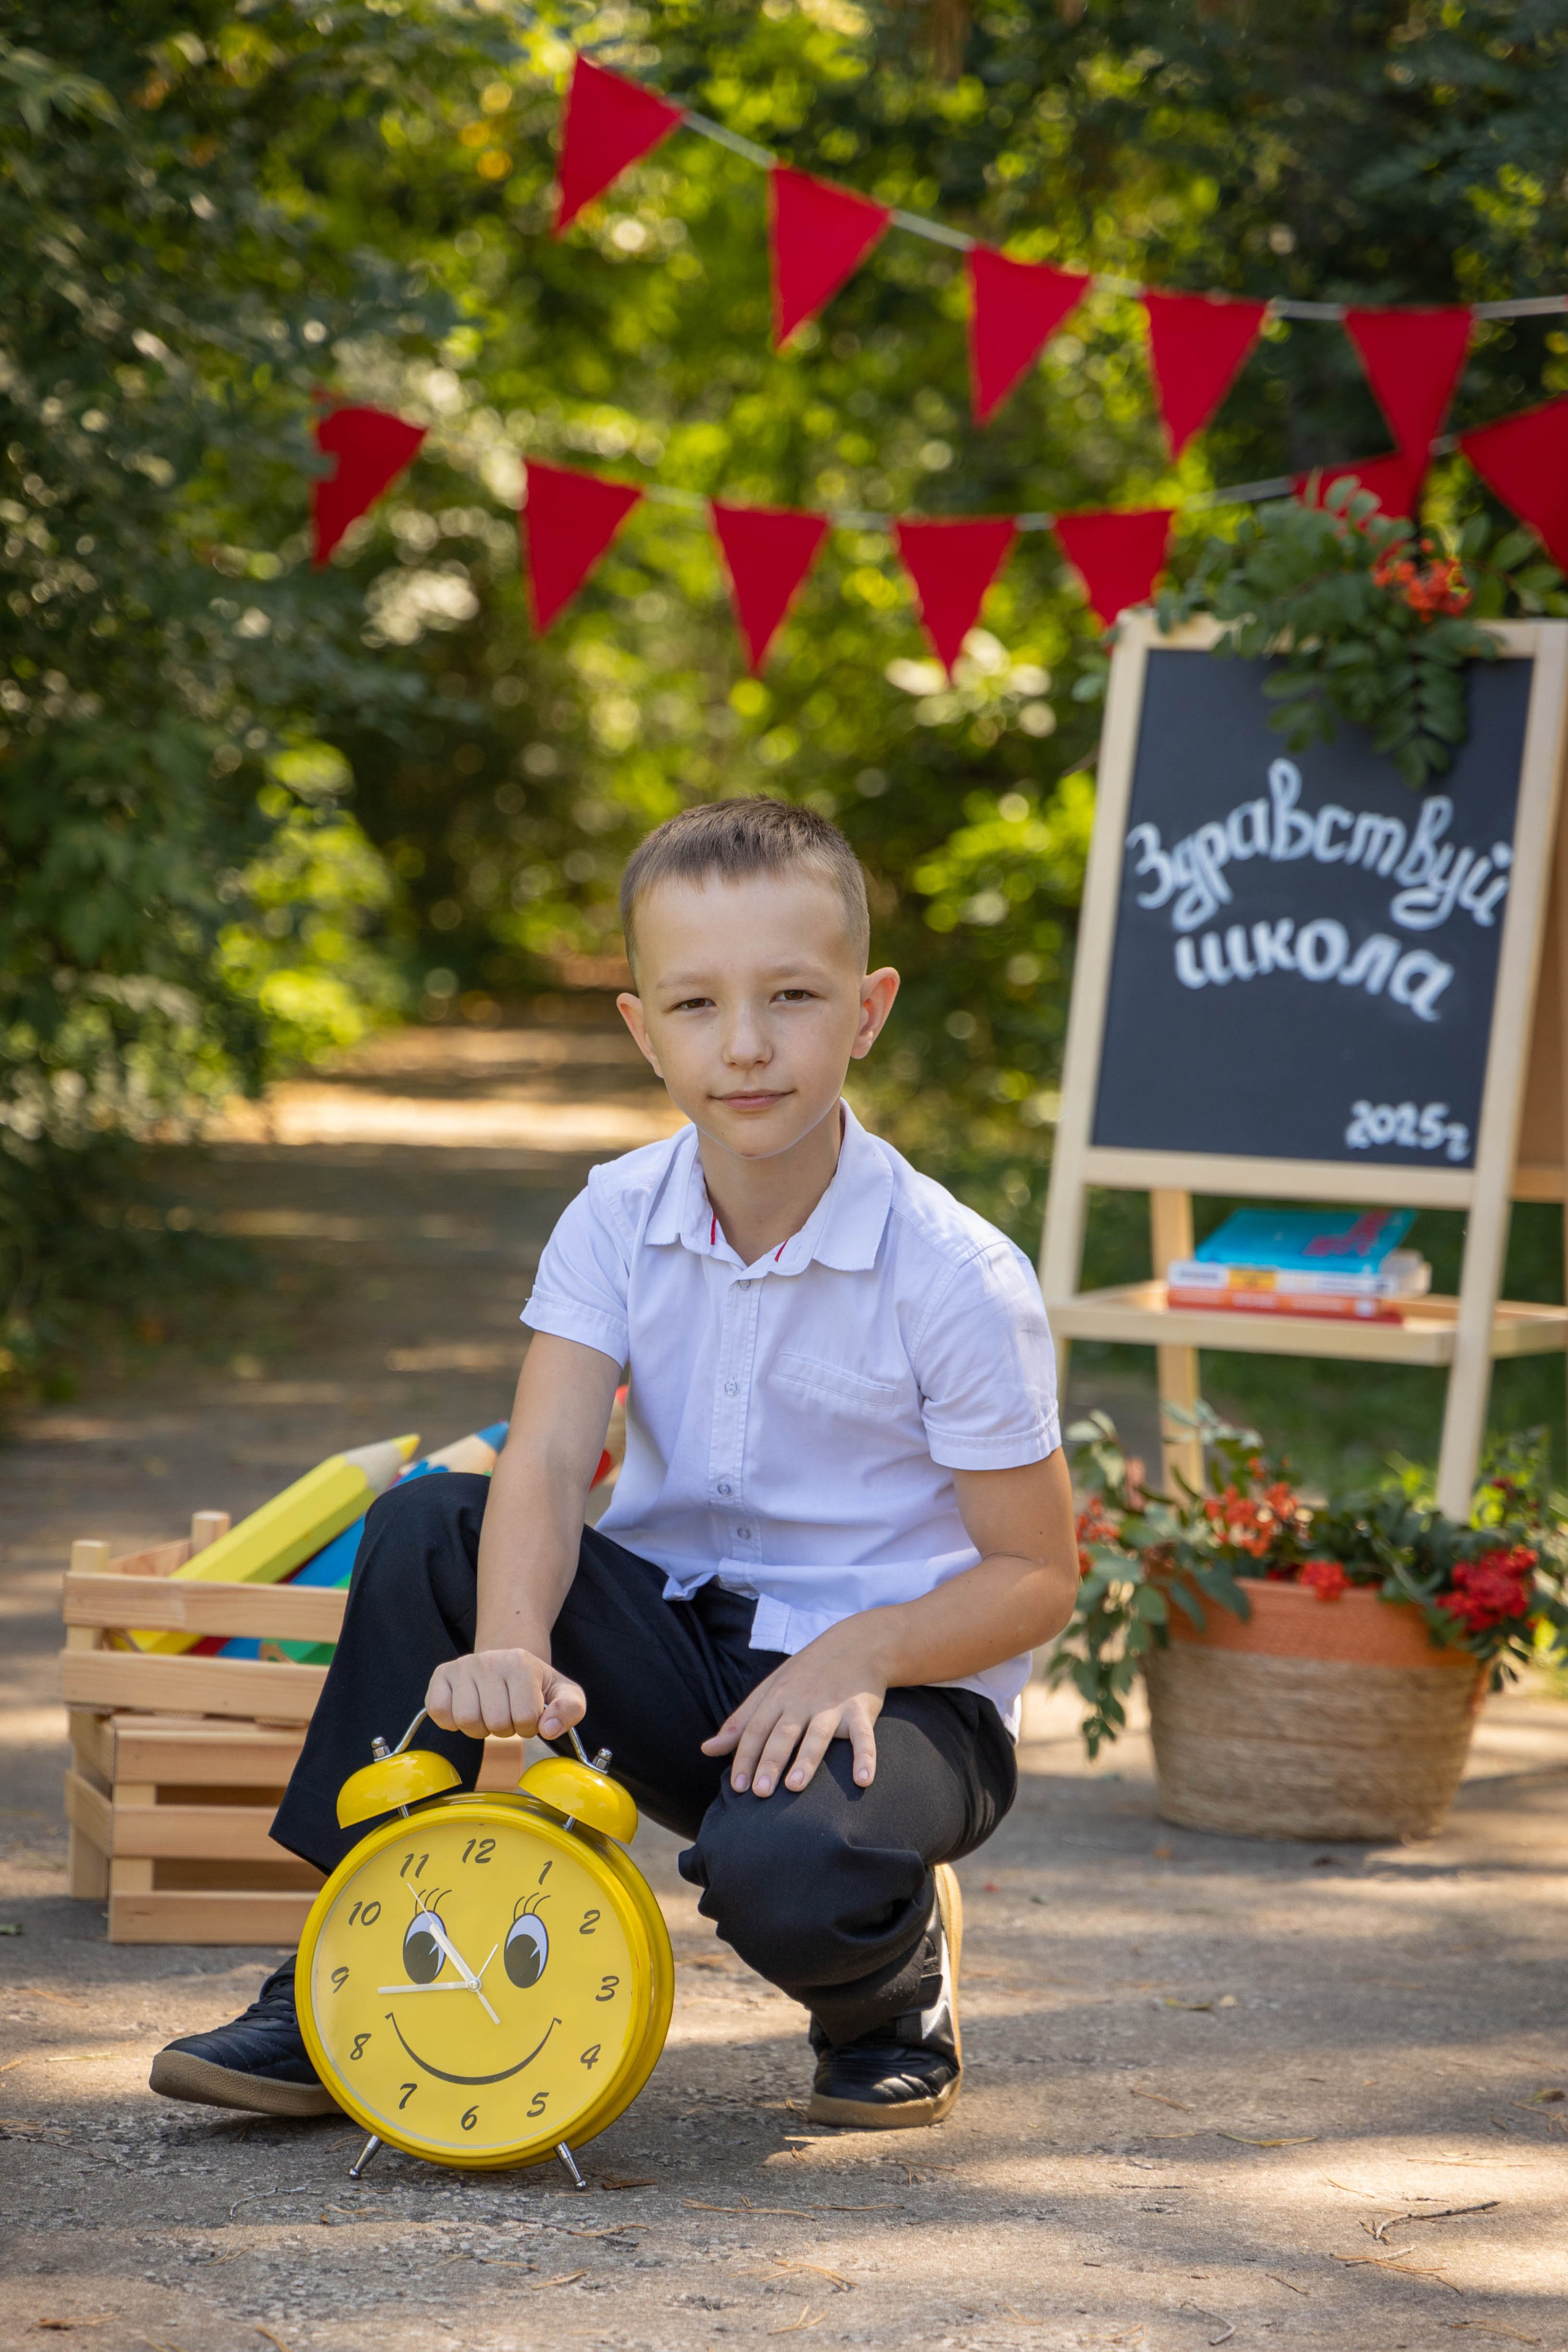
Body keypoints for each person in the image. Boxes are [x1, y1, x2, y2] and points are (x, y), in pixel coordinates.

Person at [151, 796, 1077, 2132]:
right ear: (642, 1027)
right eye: (696, 1007)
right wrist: (516, 1648)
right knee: (430, 1525)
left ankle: (887, 1983)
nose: (745, 1047)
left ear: (866, 1011)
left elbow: (1035, 1575)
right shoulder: (614, 1217)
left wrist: (862, 1651)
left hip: (899, 1696)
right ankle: (338, 1973)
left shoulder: (954, 1276)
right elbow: (540, 1464)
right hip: (673, 1658)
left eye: (791, 997)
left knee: (783, 1873)